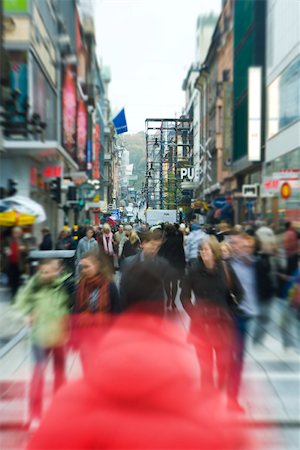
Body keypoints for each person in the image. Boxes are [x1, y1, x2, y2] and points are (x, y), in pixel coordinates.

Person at [181, 236, 242, 398]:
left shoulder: (225, 269)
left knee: (223, 362)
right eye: (201, 250)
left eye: (206, 249)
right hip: (201, 324)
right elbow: (184, 297)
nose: (203, 253)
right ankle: (207, 394)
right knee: (205, 364)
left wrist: (231, 310)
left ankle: (221, 384)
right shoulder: (193, 271)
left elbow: (239, 292)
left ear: (214, 251)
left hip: (222, 324)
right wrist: (194, 313)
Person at [14, 258, 71, 430]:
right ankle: (34, 414)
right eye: (45, 271)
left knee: (60, 376)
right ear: (40, 270)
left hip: (59, 337)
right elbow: (20, 304)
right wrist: (27, 315)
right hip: (40, 337)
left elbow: (69, 306)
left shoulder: (62, 285)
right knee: (38, 376)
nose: (49, 274)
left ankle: (60, 410)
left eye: (53, 270)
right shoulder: (34, 286)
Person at [70, 250, 121, 369]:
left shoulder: (110, 287)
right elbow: (76, 311)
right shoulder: (80, 286)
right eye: (82, 267)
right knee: (87, 368)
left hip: (104, 336)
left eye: (87, 267)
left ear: (97, 266)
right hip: (86, 337)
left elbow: (117, 314)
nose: (84, 270)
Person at [227, 234, 260, 413]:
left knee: (238, 360)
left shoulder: (256, 265)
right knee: (233, 359)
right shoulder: (229, 265)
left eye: (248, 247)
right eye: (241, 246)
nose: (245, 249)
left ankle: (231, 396)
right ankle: (230, 397)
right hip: (234, 315)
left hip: (248, 316)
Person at [158, 224, 186, 309]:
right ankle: (173, 300)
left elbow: (160, 254)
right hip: (176, 265)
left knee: (166, 283)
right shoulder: (179, 239)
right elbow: (181, 253)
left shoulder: (163, 240)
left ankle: (168, 298)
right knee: (174, 284)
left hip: (166, 265)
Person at [4, 226, 27, 298]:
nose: (17, 234)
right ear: (13, 233)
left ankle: (15, 295)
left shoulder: (22, 240)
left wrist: (24, 249)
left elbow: (27, 251)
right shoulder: (8, 240)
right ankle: (13, 293)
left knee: (17, 280)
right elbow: (4, 249)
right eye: (15, 233)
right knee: (11, 279)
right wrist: (6, 251)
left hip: (19, 263)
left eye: (18, 233)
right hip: (10, 263)